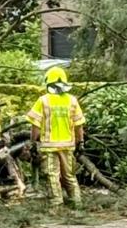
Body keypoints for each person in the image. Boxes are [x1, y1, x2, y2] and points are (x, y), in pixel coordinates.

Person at [26, 67, 85, 208]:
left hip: (49, 146)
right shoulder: (72, 100)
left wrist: (33, 142)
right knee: (69, 175)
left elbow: (35, 125)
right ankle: (76, 202)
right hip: (68, 145)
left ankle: (56, 204)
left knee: (52, 175)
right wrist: (80, 142)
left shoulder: (43, 100)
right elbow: (79, 125)